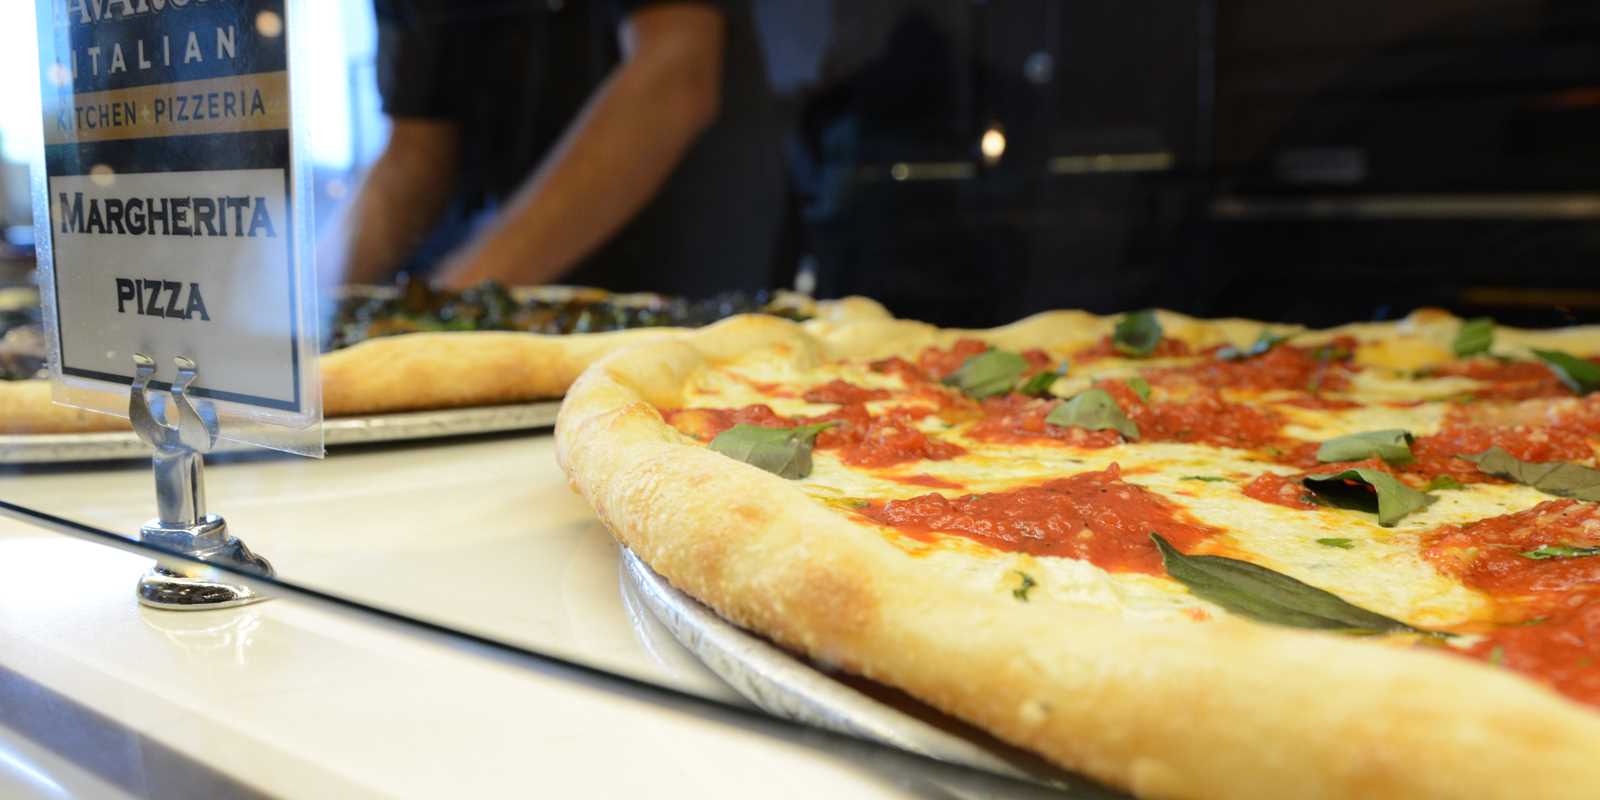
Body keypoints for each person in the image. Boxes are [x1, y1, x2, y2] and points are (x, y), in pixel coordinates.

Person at [324, 0, 792, 296]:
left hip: (670, 281)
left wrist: (460, 299)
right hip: (492, 284)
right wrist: (300, 310)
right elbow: (413, 150)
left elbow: (673, 76)